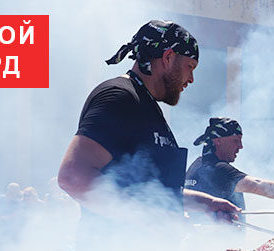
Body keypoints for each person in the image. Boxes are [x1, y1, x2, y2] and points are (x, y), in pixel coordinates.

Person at [56, 20, 238, 231]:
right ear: (168, 57)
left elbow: (154, 193)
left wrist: (208, 204)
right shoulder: (119, 97)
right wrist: (152, 218)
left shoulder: (147, 105)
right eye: (190, 67)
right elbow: (73, 177)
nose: (192, 78)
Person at [185, 118, 274, 220]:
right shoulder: (219, 170)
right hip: (219, 250)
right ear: (218, 141)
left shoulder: (196, 165)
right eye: (236, 141)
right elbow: (258, 185)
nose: (240, 147)